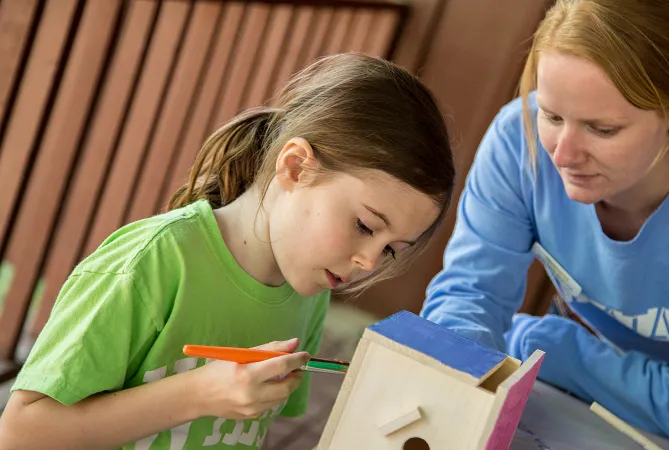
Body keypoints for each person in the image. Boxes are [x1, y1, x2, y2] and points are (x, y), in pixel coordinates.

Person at [0, 52, 455, 449]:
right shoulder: (155, 261)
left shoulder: (310, 293)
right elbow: (20, 432)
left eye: (392, 249)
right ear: (295, 167)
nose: (369, 262)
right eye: (364, 226)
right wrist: (199, 393)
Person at [420, 1, 669, 449]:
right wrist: (447, 383)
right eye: (552, 116)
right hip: (582, 343)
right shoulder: (519, 139)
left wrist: (542, 342)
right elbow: (470, 296)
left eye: (602, 129)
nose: (563, 155)